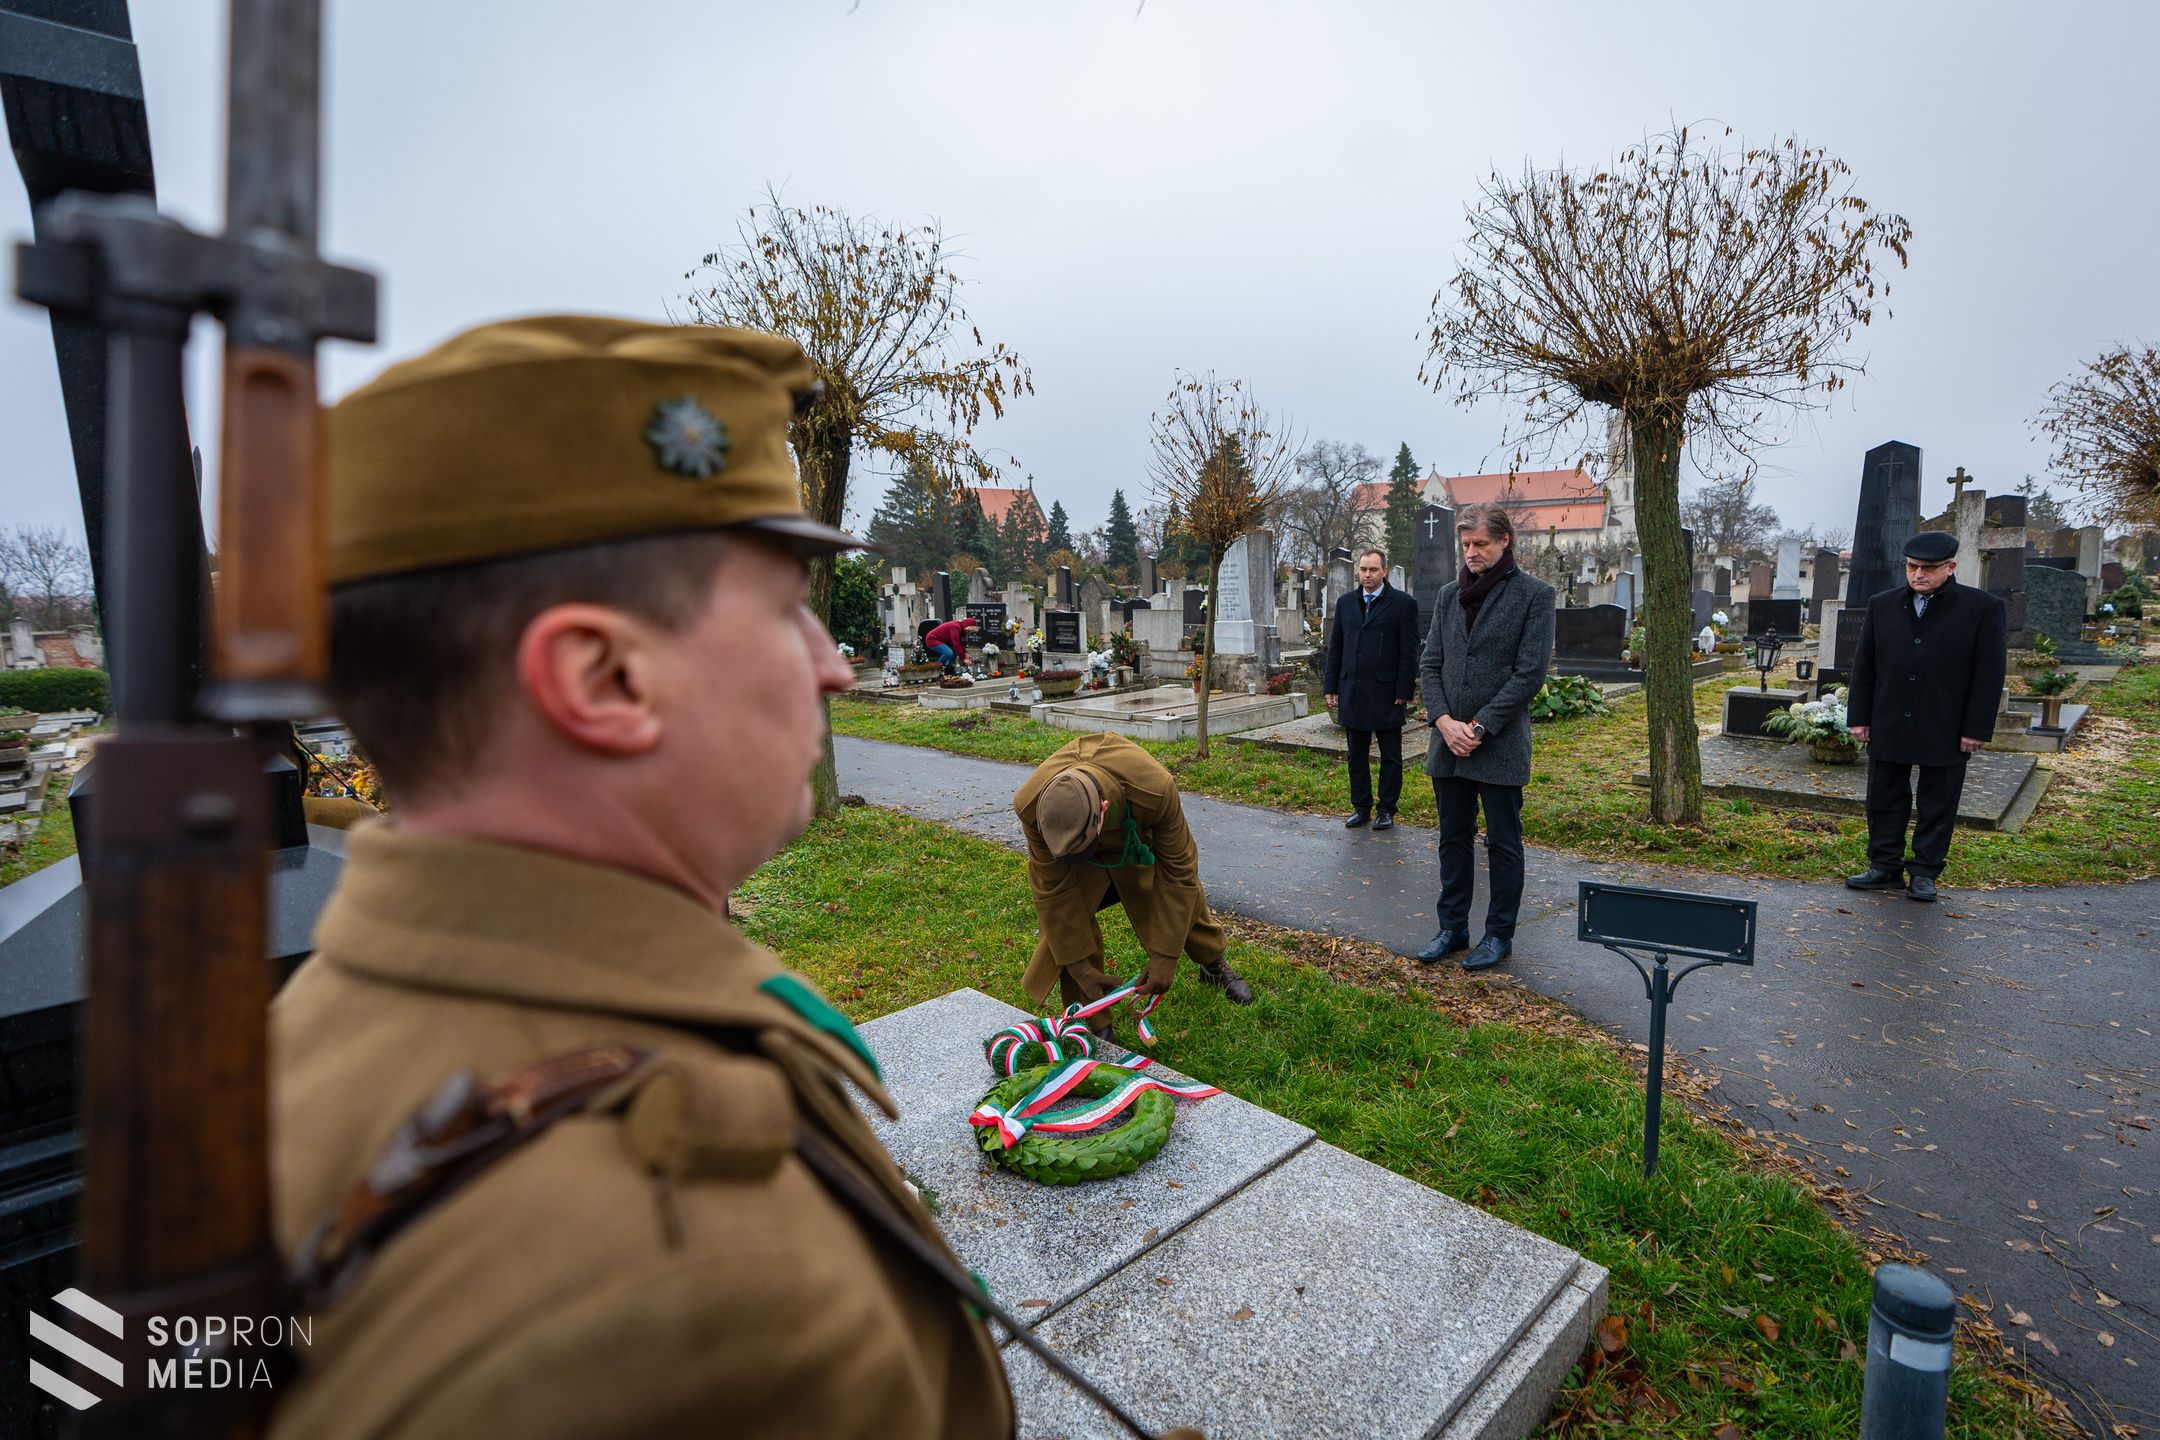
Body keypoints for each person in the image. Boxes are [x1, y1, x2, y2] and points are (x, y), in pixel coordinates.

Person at [269, 316, 1013, 1439]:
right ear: (605, 677)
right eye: (785, 611)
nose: (836, 665)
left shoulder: (311, 1033)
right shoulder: (701, 1300)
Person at [1014, 732, 1255, 1022]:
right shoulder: (1031, 805)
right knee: (1067, 921)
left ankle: (1212, 963)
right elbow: (1052, 893)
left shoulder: (1154, 788)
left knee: (1183, 899)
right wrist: (1079, 967)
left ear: (1103, 809)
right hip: (1078, 860)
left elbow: (1179, 873)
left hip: (1137, 842)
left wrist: (1165, 958)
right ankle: (1094, 1022)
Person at [1412, 503, 1554, 972]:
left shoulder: (1534, 595)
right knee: (1453, 839)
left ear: (1504, 541)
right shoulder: (1451, 593)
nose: (1471, 552)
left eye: (1481, 544)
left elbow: (1529, 672)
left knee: (1503, 844)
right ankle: (1453, 928)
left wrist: (1479, 726)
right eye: (1466, 544)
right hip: (1448, 744)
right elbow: (1431, 664)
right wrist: (1443, 721)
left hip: (1498, 744)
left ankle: (1498, 935)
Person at [1844, 530, 2007, 903]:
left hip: (1946, 722)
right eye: (1912, 567)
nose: (1918, 574)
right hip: (1889, 718)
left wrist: (1976, 727)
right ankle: (1884, 865)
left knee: (1938, 799)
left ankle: (1925, 870)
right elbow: (1864, 667)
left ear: (1950, 567)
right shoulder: (1882, 605)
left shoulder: (1981, 608)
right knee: (1884, 794)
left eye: (1928, 568)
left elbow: (1989, 673)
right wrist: (1860, 716)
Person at [1324, 548, 1420, 831]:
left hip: (1387, 692)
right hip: (1352, 690)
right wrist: (1331, 685)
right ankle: (1361, 806)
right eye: (1363, 570)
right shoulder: (1346, 603)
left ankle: (1387, 809)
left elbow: (1409, 651)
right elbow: (1336, 647)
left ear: (1384, 571)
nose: (1367, 575)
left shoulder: (1403, 604)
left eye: (1373, 570)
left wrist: (1404, 689)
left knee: (1390, 755)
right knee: (1357, 755)